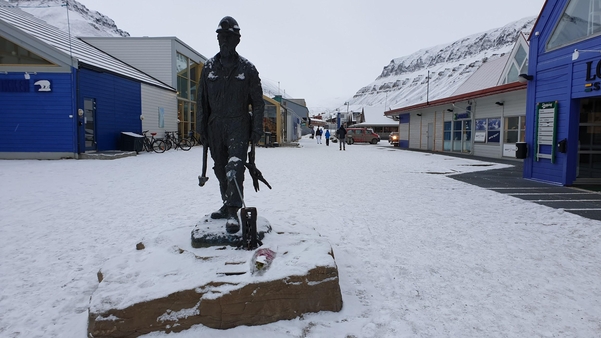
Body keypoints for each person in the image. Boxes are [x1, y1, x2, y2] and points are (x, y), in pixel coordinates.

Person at [196, 16, 265, 234]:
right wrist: (201, 128)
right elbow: (201, 101)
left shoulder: (248, 69)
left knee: (234, 167)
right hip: (215, 124)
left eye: (228, 37)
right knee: (219, 168)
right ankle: (227, 203)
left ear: (237, 40)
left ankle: (234, 209)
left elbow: (258, 103)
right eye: (220, 36)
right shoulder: (208, 67)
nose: (223, 41)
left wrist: (256, 128)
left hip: (238, 123)